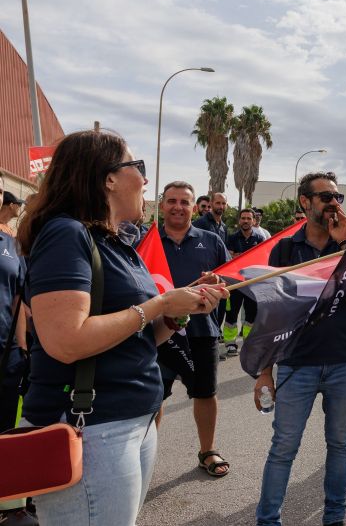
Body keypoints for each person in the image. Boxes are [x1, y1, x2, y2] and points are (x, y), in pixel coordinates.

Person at [17, 130, 226, 525]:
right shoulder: (66, 233)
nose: (145, 180)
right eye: (138, 167)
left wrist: (178, 312)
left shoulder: (114, 242)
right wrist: (160, 303)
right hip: (92, 428)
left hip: (130, 423)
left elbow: (138, 336)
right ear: (109, 178)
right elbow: (66, 341)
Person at [254, 171, 346, 526]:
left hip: (343, 360)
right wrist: (265, 371)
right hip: (297, 362)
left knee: (340, 445)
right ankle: (267, 520)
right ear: (305, 202)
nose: (334, 204)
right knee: (284, 448)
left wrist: (344, 244)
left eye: (338, 197)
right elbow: (270, 311)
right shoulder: (285, 249)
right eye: (326, 197)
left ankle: (334, 517)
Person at [157, 181, 233, 477]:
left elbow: (229, 281)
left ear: (194, 206)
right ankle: (144, 454)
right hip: (157, 333)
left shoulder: (211, 240)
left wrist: (218, 282)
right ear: (162, 205)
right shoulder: (146, 240)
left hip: (202, 331)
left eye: (184, 202)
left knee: (205, 392)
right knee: (154, 395)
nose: (178, 207)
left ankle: (207, 450)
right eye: (172, 201)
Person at [0, 177, 31, 526]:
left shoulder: (10, 244)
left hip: (6, 352)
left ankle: (8, 505)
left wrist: (22, 347)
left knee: (6, 426)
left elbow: (18, 300)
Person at [223, 208, 265, 356]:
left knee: (251, 315)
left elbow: (261, 260)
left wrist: (240, 257)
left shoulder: (260, 239)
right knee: (231, 314)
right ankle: (230, 343)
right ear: (239, 220)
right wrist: (246, 258)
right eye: (243, 218)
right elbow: (229, 259)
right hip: (234, 283)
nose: (246, 221)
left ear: (254, 221)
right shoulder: (232, 238)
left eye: (249, 218)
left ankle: (248, 341)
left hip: (252, 283)